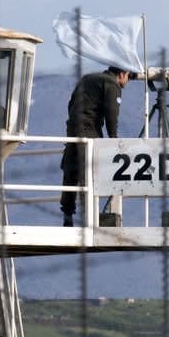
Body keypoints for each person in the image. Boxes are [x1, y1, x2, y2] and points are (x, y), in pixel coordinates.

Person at [60, 66, 131, 226]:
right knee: (89, 171)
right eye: (129, 77)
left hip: (73, 126)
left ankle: (68, 214)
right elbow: (112, 114)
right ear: (122, 73)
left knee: (71, 169)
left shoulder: (88, 78)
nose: (128, 81)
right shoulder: (112, 85)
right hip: (88, 128)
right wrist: (114, 139)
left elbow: (71, 103)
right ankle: (89, 217)